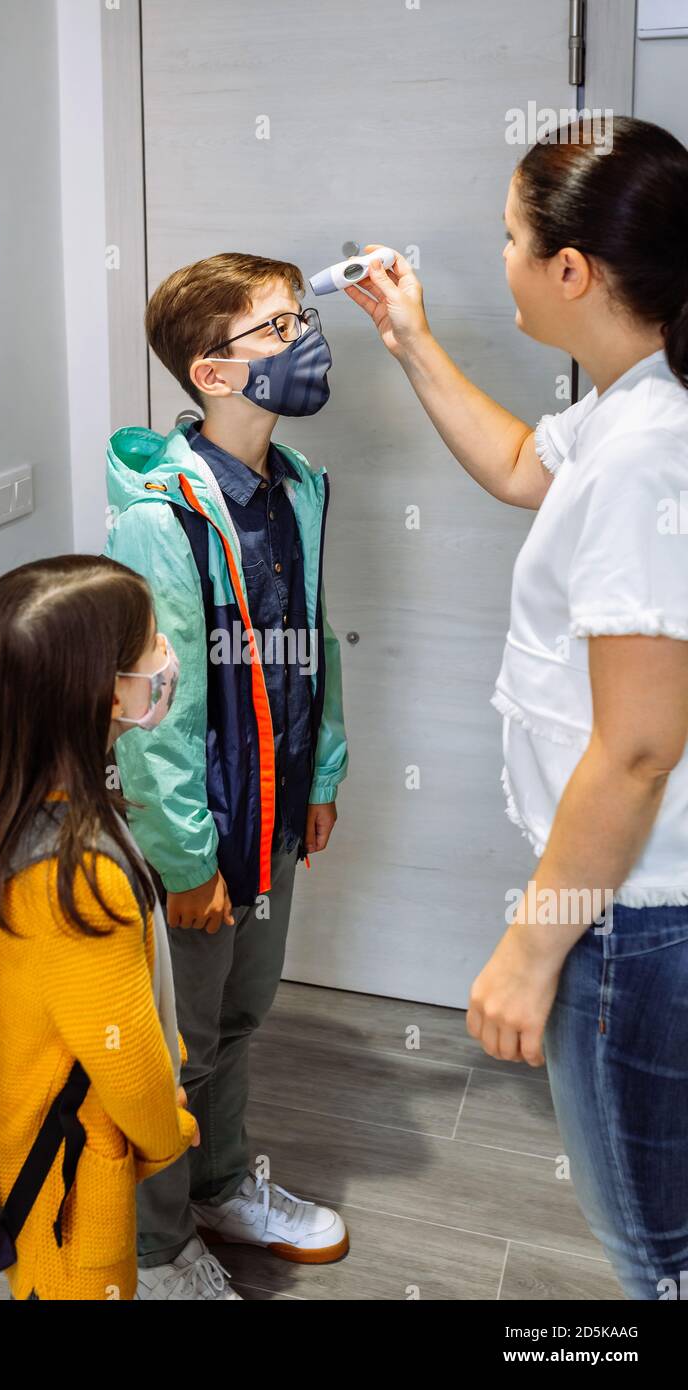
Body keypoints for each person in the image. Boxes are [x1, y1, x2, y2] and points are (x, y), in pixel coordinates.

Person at [345, 117, 688, 1300]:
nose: (495, 255)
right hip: (639, 899)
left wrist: (527, 948)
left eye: (506, 237)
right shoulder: (628, 401)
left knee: (655, 1248)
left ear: (571, 271)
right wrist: (408, 341)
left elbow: (639, 748)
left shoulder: (651, 444)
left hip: (638, 915)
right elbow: (514, 469)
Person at [105, 252, 349, 1299]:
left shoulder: (293, 485)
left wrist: (321, 771)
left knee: (241, 1018)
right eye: (278, 326)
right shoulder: (160, 518)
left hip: (274, 814)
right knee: (174, 1041)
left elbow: (314, 643)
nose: (306, 340)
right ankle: (157, 1246)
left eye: (303, 316)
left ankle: (219, 1184)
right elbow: (152, 718)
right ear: (212, 372)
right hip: (199, 831)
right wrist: (182, 857)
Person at [0, 555, 198, 1300]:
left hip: (22, 1144)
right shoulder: (80, 880)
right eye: (151, 647)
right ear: (106, 693)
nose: (165, 656)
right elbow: (131, 1070)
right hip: (71, 1199)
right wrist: (173, 1134)